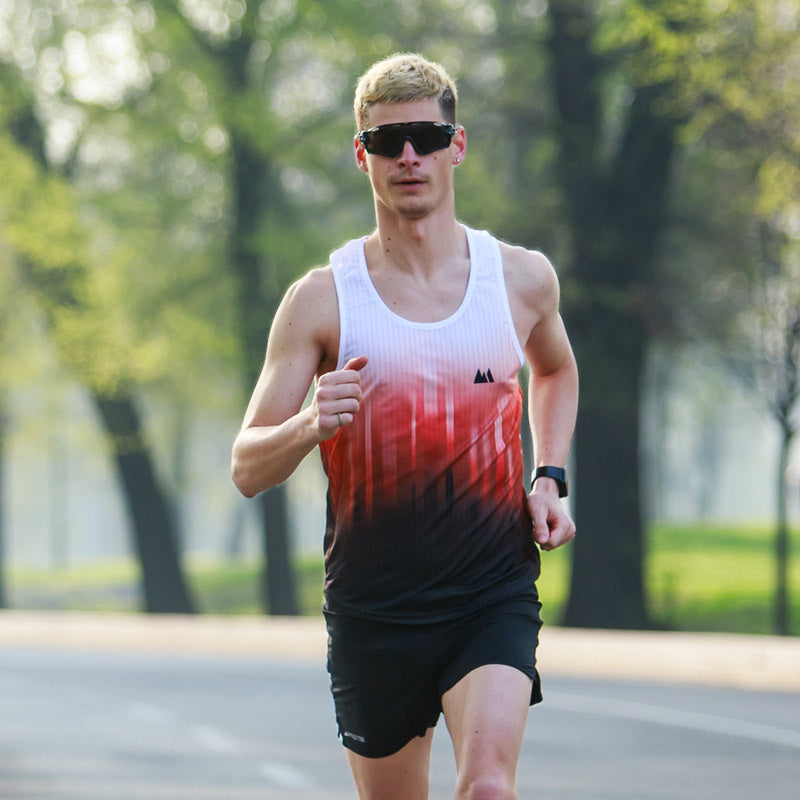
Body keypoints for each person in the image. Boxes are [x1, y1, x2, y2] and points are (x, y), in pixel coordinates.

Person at [231, 52, 578, 800]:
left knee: (487, 788)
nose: (409, 157)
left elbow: (554, 369)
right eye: (388, 143)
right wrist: (304, 427)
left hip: (492, 589)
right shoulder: (322, 302)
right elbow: (246, 467)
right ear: (363, 157)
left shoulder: (519, 280)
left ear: (458, 143)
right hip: (374, 606)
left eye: (425, 136)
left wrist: (549, 474)